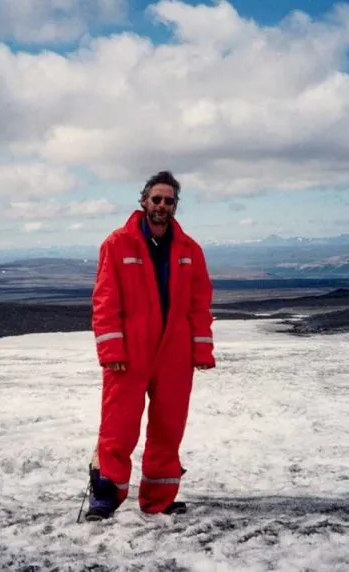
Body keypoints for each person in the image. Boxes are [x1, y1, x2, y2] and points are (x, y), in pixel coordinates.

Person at [85, 170, 216, 521]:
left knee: (168, 426)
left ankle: (159, 497)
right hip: (130, 352)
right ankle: (106, 497)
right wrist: (111, 350)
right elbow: (105, 300)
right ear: (144, 201)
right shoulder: (117, 244)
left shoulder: (190, 250)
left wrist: (201, 350)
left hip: (174, 353)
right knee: (118, 426)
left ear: (175, 205)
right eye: (156, 199)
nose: (161, 205)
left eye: (168, 200)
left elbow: (199, 305)